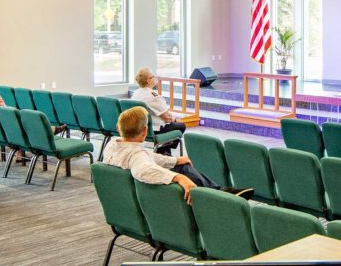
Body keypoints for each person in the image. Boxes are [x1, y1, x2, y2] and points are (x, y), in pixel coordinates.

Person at [100, 106, 249, 203]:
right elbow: (142, 169)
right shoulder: (137, 157)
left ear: (118, 128)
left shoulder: (113, 145)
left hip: (124, 199)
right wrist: (179, 177)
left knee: (181, 164)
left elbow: (146, 156)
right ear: (145, 132)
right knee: (183, 170)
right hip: (154, 199)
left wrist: (175, 160)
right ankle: (218, 195)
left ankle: (217, 192)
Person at [130, 67, 186, 155]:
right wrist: (174, 119)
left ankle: (165, 150)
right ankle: (163, 150)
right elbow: (167, 117)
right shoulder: (153, 96)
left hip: (139, 129)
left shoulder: (135, 94)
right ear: (148, 81)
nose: (155, 78)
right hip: (153, 130)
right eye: (153, 76)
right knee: (181, 126)